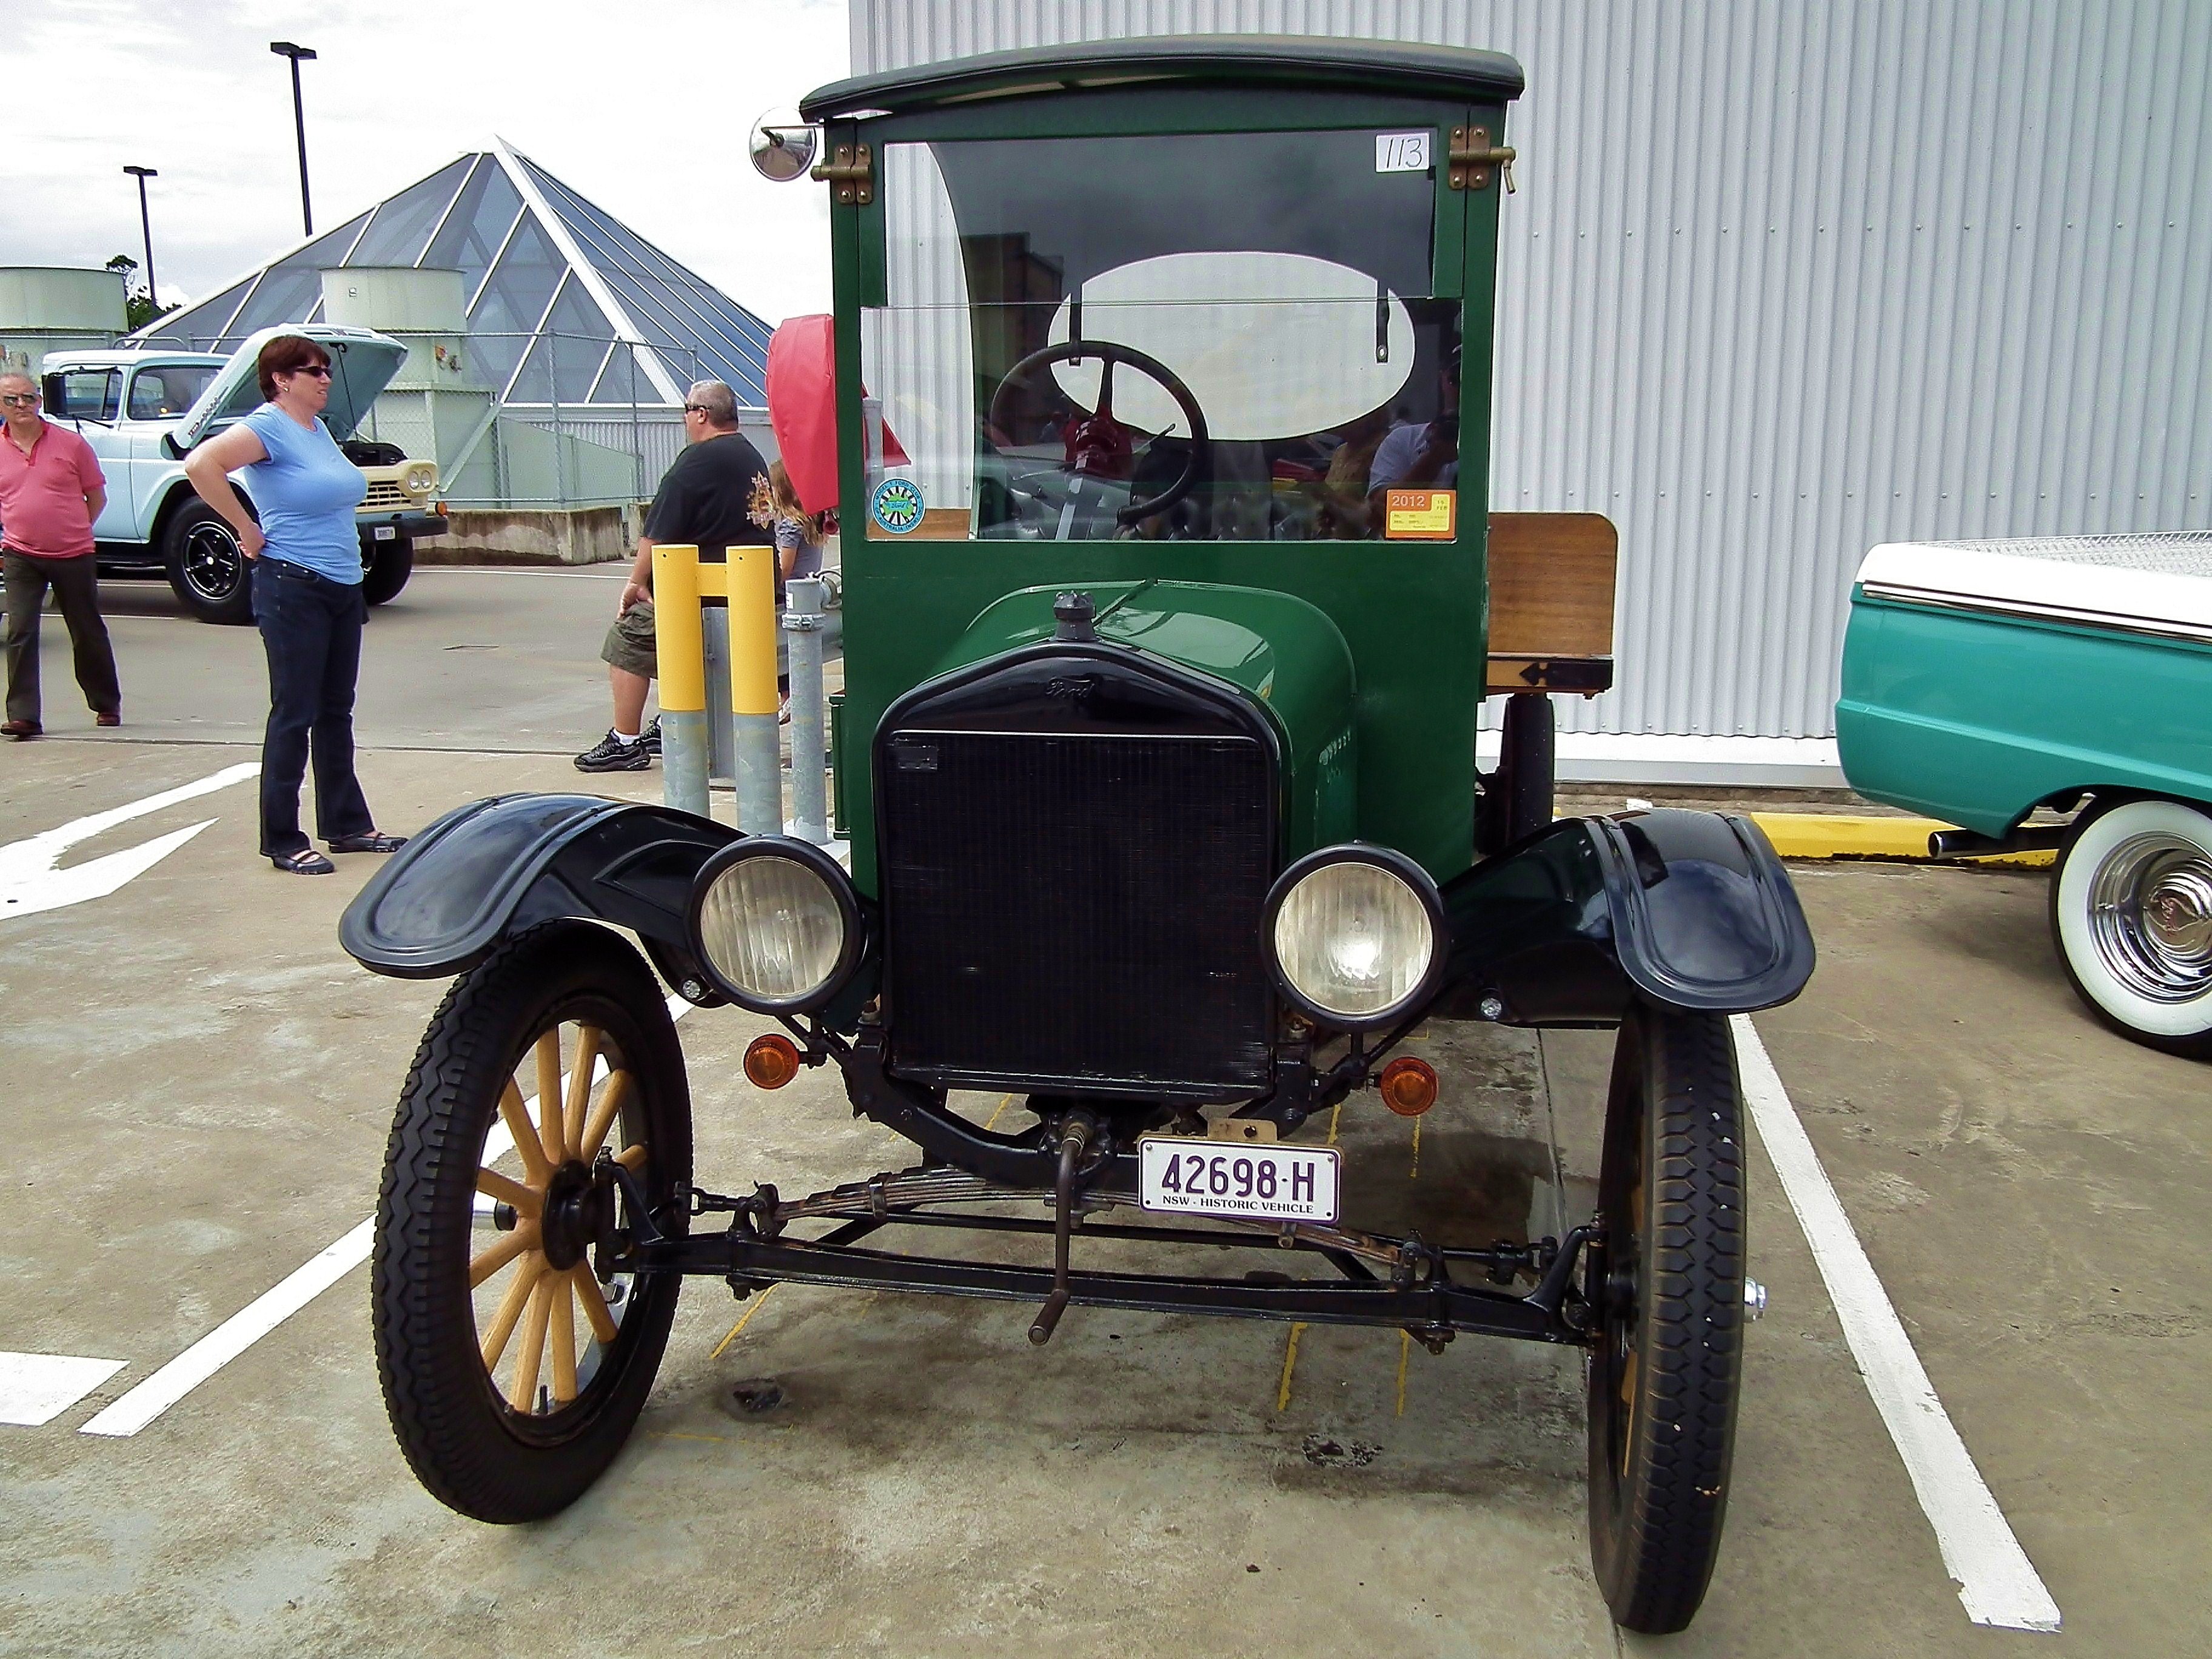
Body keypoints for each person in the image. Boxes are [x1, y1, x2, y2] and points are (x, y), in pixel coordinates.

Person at [183, 335, 406, 875]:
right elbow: (200, 465)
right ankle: (283, 837)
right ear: (282, 379)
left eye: (327, 370)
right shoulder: (266, 427)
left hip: (340, 583)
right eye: (314, 371)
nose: (326, 379)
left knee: (336, 709)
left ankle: (348, 825)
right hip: (292, 584)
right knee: (294, 712)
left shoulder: (318, 430)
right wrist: (245, 529)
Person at [575, 380, 773, 773]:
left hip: (712, 596)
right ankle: (669, 724)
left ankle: (625, 741)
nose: (684, 419)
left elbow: (658, 530)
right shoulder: (749, 455)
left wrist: (635, 583)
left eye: (686, 410)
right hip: (753, 590)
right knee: (671, 634)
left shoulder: (697, 460)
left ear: (701, 414)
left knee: (630, 636)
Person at [0, 370, 122, 738]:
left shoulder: (71, 445)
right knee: (20, 630)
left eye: (29, 398)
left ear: (39, 401)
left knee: (85, 630)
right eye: (12, 400)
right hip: (20, 552)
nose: (22, 405)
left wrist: (77, 528)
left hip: (74, 553)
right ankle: (24, 715)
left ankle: (105, 702)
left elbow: (96, 495)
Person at [760, 459, 826, 722]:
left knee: (773, 642)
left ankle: (787, 697)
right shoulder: (811, 518)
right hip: (808, 590)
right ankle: (791, 696)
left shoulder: (789, 523)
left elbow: (784, 567)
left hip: (788, 591)